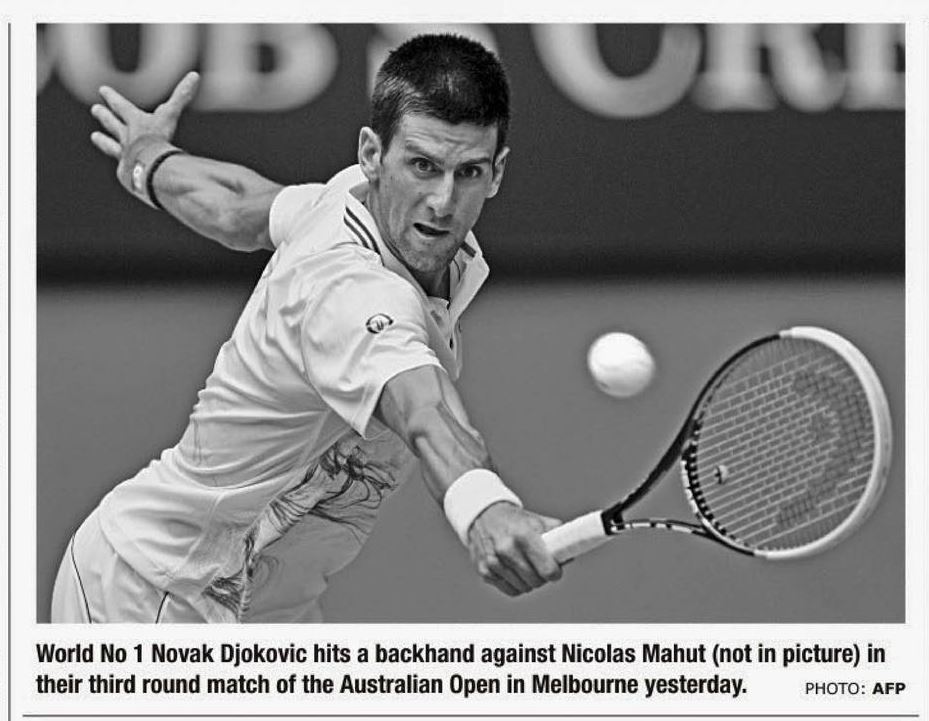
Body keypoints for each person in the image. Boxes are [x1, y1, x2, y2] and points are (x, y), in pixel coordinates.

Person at [51, 33, 564, 623]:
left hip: (270, 603)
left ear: (497, 172)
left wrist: (148, 159)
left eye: (467, 171)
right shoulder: (349, 290)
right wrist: (485, 507)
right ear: (372, 153)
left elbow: (241, 207)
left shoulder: (350, 196)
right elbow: (424, 412)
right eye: (422, 166)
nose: (442, 202)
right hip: (156, 594)